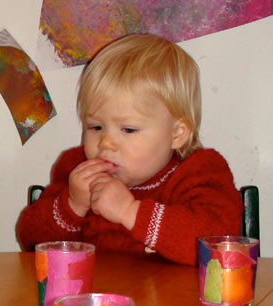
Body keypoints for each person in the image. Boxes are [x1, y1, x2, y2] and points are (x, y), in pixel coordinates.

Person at [17, 33, 242, 265]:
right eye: (96, 127)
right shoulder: (76, 169)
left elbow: (217, 247)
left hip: (171, 301)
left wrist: (129, 211)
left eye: (128, 130)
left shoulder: (200, 171)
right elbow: (30, 242)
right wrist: (72, 204)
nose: (105, 142)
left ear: (176, 134)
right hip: (90, 298)